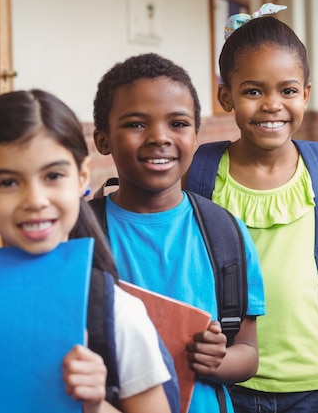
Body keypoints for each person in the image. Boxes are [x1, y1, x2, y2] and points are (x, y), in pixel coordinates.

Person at [0, 89, 173, 413]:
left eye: (53, 175)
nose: (35, 200)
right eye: (8, 182)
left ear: (81, 177)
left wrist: (96, 406)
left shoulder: (115, 312)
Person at [185, 4, 318, 413]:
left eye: (287, 90)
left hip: (312, 385)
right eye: (253, 91)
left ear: (305, 93)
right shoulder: (199, 172)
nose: (272, 104)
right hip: (224, 381)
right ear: (225, 96)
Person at [91, 52, 266, 413]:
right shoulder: (80, 238)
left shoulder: (225, 234)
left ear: (195, 135)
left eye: (178, 123)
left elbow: (248, 354)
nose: (159, 137)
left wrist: (219, 361)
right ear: (103, 139)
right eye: (136, 124)